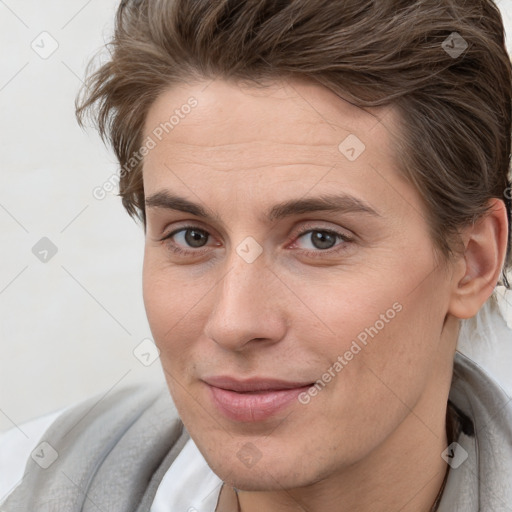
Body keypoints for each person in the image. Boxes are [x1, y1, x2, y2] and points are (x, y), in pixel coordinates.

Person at [1, 0, 512, 510]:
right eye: (192, 237)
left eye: (320, 239)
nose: (234, 322)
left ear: (472, 262)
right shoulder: (25, 476)